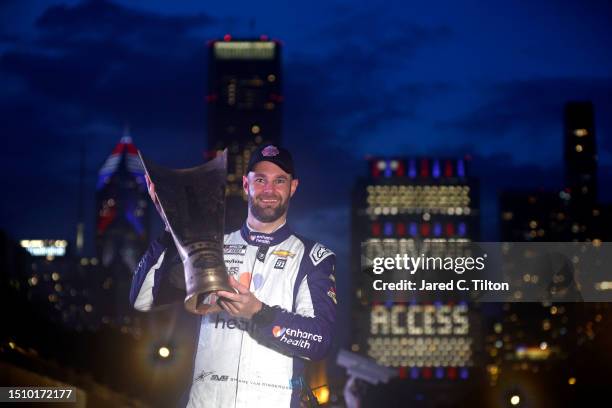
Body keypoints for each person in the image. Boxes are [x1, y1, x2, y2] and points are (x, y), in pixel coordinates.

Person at [129, 144, 337, 408]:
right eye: (260, 180)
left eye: (279, 181)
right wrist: (172, 229)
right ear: (245, 184)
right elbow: (141, 299)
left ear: (293, 187)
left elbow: (320, 341)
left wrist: (259, 313)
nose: (269, 190)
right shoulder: (211, 246)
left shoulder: (314, 257)